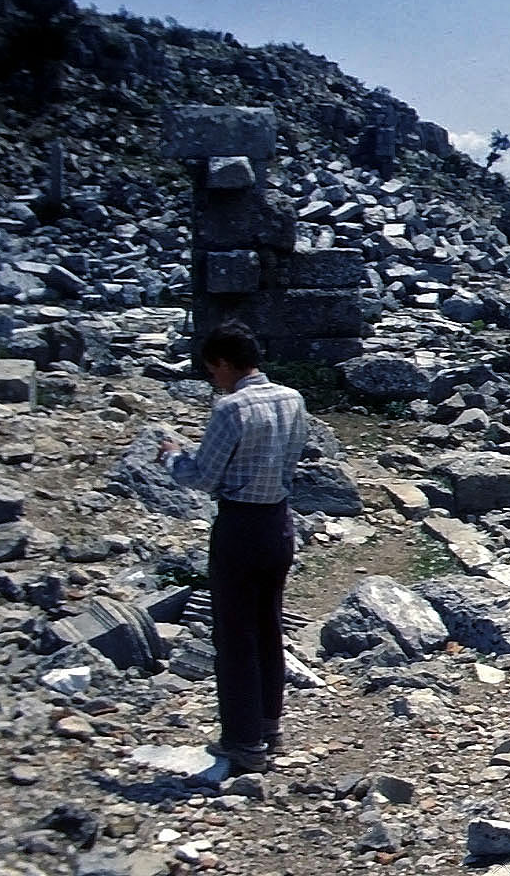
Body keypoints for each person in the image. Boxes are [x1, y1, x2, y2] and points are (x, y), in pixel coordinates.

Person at [159, 320, 308, 773]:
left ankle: (243, 742)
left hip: (240, 525)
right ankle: (268, 724)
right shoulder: (292, 398)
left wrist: (170, 456)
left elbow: (202, 476)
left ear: (225, 364)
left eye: (212, 371)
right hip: (279, 523)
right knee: (268, 626)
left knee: (235, 634)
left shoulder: (231, 408)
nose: (213, 379)